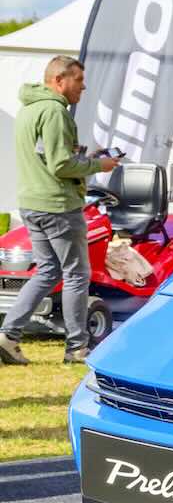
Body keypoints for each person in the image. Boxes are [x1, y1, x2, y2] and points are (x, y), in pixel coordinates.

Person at [0, 56, 118, 367]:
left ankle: (8, 335)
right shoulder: (55, 112)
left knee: (47, 272)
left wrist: (83, 158)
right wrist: (98, 165)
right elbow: (60, 165)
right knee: (77, 274)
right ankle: (77, 348)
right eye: (79, 80)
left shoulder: (29, 109)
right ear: (59, 81)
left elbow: (50, 157)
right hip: (59, 205)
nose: (84, 86)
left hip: (32, 202)